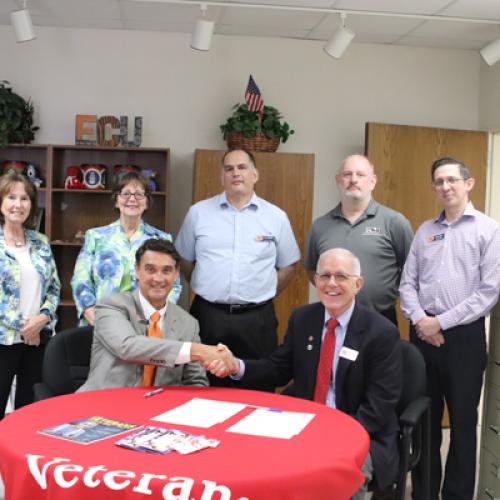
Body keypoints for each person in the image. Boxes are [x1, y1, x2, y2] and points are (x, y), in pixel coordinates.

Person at [209, 248, 402, 497]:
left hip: (360, 432)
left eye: (341, 276)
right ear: (316, 281)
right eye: (324, 276)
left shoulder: (380, 332)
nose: (331, 284)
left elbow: (379, 405)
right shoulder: (303, 318)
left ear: (358, 283)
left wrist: (336, 436)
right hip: (304, 424)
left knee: (339, 481)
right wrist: (237, 365)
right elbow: (278, 369)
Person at [399, 157, 500, 500]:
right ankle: (424, 492)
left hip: (464, 340)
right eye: (439, 181)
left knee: (461, 423)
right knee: (424, 420)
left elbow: (488, 292)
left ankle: (456, 495)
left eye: (452, 180)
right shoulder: (426, 230)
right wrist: (421, 321)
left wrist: (439, 322)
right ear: (434, 188)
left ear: (468, 184)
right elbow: (406, 284)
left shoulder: (489, 230)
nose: (446, 186)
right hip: (422, 336)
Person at [175, 148, 300, 388]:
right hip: (208, 316)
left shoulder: (276, 216)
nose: (236, 173)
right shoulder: (198, 213)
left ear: (255, 174)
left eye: (242, 167)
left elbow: (288, 266)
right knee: (202, 386)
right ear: (222, 176)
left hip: (257, 319)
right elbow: (184, 260)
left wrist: (265, 291)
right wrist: (206, 285)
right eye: (229, 168)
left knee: (258, 387)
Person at [79, 238, 232, 391]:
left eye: (166, 270)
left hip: (159, 409)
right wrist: (198, 351)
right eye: (150, 269)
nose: (158, 279)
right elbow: (127, 347)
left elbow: (195, 382)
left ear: (176, 274)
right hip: (102, 406)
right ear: (137, 271)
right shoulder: (111, 305)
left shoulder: (189, 324)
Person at [304, 154, 413, 325]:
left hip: (380, 317)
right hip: (334, 318)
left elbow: (411, 270)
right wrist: (336, 293)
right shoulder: (320, 226)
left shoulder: (394, 222)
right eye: (347, 174)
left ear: (373, 181)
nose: (353, 180)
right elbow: (312, 270)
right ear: (338, 180)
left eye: (360, 175)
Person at [71, 171, 180, 326]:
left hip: (145, 325)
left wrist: (156, 315)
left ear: (147, 202)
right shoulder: (96, 237)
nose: (132, 199)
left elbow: (173, 285)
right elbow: (80, 279)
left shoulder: (162, 239)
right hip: (101, 323)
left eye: (139, 194)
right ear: (116, 201)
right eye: (126, 193)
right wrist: (90, 311)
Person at [0, 173, 61, 419]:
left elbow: (54, 288)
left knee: (29, 414)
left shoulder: (40, 242)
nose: (18, 204)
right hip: (4, 341)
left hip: (37, 343)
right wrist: (26, 327)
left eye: (24, 198)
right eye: (11, 197)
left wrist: (43, 318)